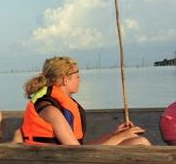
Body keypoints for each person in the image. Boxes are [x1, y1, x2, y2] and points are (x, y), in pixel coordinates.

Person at [20, 56, 150, 146]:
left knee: (136, 140)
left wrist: (113, 134)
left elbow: (79, 146)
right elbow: (76, 152)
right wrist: (121, 137)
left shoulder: (59, 105)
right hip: (53, 163)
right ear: (66, 80)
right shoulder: (50, 110)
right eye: (77, 76)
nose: (80, 80)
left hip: (68, 158)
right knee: (140, 142)